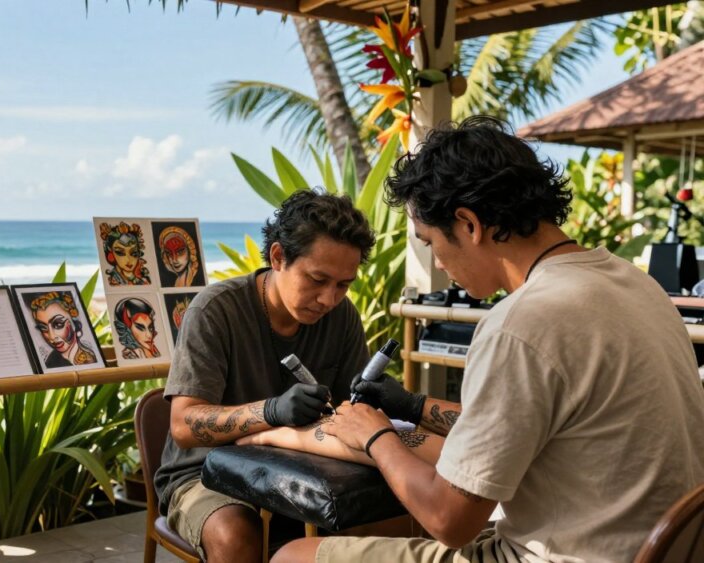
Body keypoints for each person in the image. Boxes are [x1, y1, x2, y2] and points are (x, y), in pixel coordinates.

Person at [274, 116, 704, 563]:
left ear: (468, 224)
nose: (438, 265)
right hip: (660, 549)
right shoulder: (637, 285)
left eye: (430, 241)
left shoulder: (521, 323)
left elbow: (449, 521)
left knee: (292, 556)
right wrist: (413, 407)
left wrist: (376, 436)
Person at [155, 188, 376, 562]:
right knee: (237, 535)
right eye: (317, 279)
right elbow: (183, 425)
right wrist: (270, 411)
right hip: (206, 472)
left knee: (386, 517)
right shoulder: (215, 311)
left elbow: (352, 408)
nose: (329, 299)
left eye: (343, 285)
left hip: (305, 469)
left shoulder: (341, 316)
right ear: (278, 256)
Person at [27, 291, 97, 368]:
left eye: (58, 324)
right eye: (43, 328)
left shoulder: (91, 354)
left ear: (74, 322)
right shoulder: (51, 364)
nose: (52, 336)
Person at [100, 221, 151, 286]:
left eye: (134, 253)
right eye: (120, 253)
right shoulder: (113, 281)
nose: (128, 259)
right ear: (111, 255)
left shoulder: (144, 279)